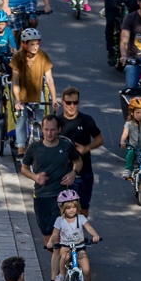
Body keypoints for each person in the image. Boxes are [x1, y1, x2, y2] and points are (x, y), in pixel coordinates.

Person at [21, 114, 83, 253]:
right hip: (41, 196)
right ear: (42, 129)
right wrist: (35, 177)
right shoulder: (34, 148)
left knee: (57, 232)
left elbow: (78, 161)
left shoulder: (66, 146)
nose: (49, 133)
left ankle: (64, 260)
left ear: (59, 130)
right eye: (46, 129)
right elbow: (24, 168)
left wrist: (73, 173)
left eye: (53, 130)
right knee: (46, 235)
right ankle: (60, 257)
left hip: (61, 196)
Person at [45, 189, 100, 281]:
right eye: (68, 208)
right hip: (66, 245)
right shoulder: (60, 220)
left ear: (77, 207)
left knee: (86, 270)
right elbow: (55, 234)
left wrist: (95, 235)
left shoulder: (81, 218)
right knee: (64, 256)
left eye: (74, 207)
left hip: (79, 246)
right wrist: (50, 242)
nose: (71, 210)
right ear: (62, 208)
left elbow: (89, 227)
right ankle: (61, 275)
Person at [10, 28, 59, 157]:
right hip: (21, 93)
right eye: (32, 44)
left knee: (41, 120)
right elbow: (15, 81)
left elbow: (50, 79)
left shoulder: (43, 56)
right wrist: (18, 101)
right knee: (22, 119)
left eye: (37, 44)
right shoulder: (17, 57)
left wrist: (54, 99)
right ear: (24, 44)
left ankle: (42, 144)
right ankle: (20, 147)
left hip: (37, 93)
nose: (35, 47)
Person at [57, 86, 103, 216]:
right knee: (65, 209)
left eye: (75, 102)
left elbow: (100, 139)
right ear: (62, 102)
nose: (72, 106)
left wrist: (86, 148)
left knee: (83, 208)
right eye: (68, 103)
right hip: (63, 174)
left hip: (84, 173)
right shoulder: (57, 122)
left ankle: (80, 228)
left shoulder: (86, 120)